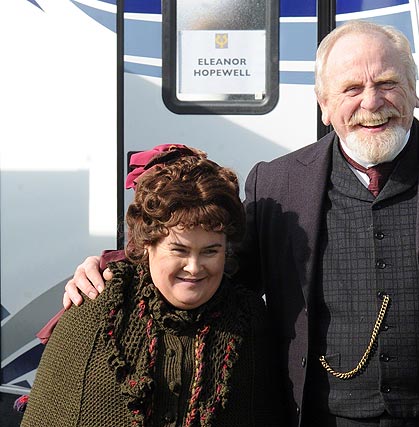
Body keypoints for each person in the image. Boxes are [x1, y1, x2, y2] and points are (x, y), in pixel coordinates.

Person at [62, 21, 419, 427]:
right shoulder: (275, 184)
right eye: (350, 90)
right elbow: (211, 275)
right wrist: (116, 268)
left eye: (389, 83)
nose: (372, 103)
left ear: (415, 91)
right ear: (324, 104)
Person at [22, 145, 280, 426]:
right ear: (147, 246)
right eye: (179, 251)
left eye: (210, 251)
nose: (194, 268)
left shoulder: (248, 322)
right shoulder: (96, 314)